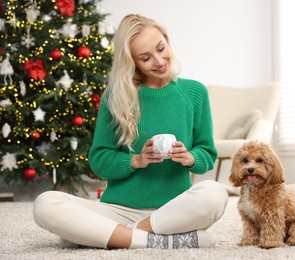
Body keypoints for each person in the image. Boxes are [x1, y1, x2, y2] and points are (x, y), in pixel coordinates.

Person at [33, 14, 228, 249]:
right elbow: (98, 161)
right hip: (118, 210)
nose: (159, 61)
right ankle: (160, 241)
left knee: (215, 193)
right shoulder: (116, 97)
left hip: (174, 211)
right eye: (146, 58)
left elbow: (207, 154)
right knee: (45, 204)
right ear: (132, 62)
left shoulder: (195, 93)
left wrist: (190, 158)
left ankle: (116, 237)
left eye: (161, 48)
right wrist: (136, 160)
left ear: (167, 40)